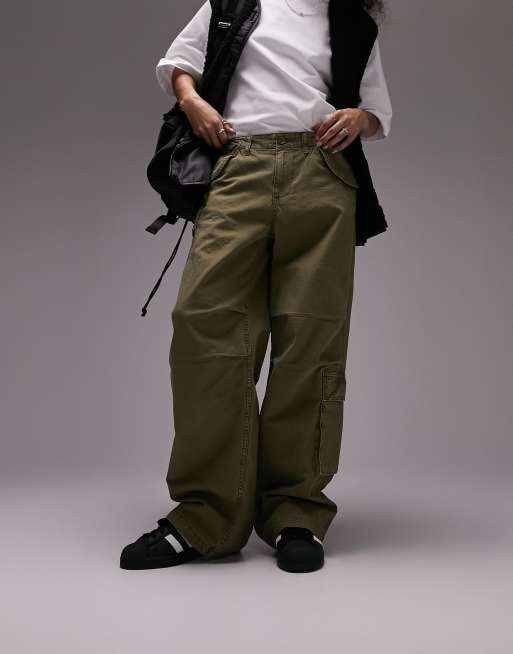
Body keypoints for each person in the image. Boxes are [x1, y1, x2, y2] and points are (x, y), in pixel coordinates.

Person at [120, 0, 392, 573]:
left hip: (321, 171)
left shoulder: (353, 23)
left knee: (311, 340)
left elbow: (375, 111)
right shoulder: (234, 3)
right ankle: (205, 518)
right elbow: (178, 63)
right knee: (204, 326)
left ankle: (296, 512)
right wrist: (193, 103)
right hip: (237, 165)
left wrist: (357, 120)